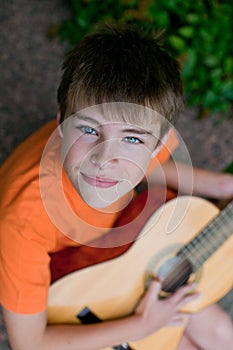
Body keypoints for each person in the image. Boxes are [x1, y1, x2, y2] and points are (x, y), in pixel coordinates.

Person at [0, 23, 232, 350]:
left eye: (132, 139)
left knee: (223, 335)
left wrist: (224, 185)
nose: (106, 158)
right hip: (74, 286)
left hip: (117, 254)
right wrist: (140, 325)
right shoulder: (21, 225)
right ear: (60, 124)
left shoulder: (147, 146)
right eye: (89, 130)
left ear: (160, 143)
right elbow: (30, 343)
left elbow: (154, 168)